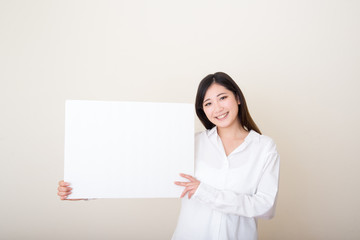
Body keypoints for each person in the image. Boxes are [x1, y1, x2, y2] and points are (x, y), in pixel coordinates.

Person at [58, 72, 280, 240]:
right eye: (208, 103)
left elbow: (265, 207)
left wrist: (203, 191)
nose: (217, 108)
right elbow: (140, 171)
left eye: (223, 98)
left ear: (238, 98)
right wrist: (84, 189)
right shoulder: (191, 143)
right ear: (203, 110)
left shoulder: (264, 148)